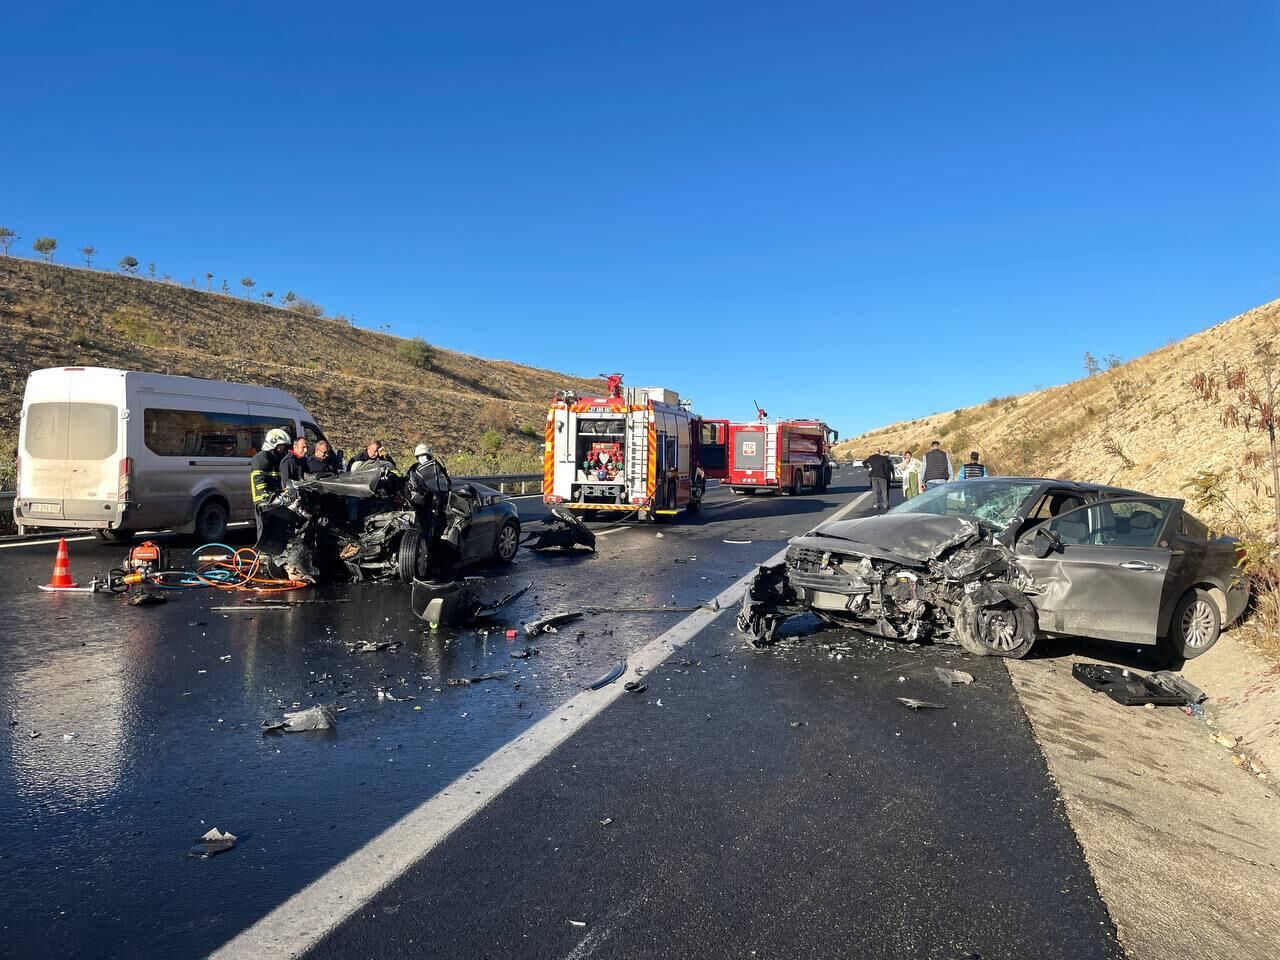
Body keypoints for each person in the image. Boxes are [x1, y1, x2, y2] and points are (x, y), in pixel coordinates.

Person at [249, 428, 293, 541]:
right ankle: (263, 556)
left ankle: (275, 555)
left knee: (278, 529)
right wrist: (266, 497)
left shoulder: (278, 458)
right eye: (281, 445)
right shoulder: (261, 458)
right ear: (274, 443)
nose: (283, 448)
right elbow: (259, 481)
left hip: (276, 500)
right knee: (264, 529)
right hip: (263, 502)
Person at [865, 448, 892, 512]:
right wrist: (887, 475)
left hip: (873, 475)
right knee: (884, 490)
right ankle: (886, 505)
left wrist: (868, 468)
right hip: (882, 476)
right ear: (880, 452)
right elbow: (886, 467)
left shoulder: (871, 457)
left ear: (875, 451)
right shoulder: (883, 458)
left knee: (875, 490)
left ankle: (877, 505)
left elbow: (864, 462)